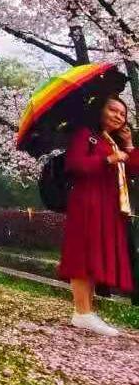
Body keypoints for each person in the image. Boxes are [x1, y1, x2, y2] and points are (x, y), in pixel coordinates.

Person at [58, 96, 139, 336]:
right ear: (100, 110)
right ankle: (82, 312)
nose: (118, 116)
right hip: (87, 202)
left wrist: (128, 144)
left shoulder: (112, 141)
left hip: (108, 205)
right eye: (113, 110)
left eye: (123, 114)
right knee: (83, 254)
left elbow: (134, 168)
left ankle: (86, 311)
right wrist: (108, 159)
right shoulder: (86, 135)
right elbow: (74, 164)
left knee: (95, 255)